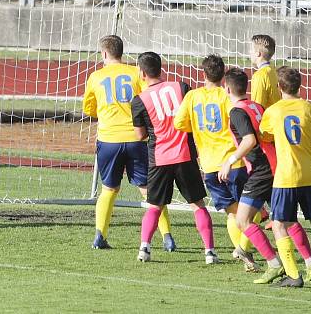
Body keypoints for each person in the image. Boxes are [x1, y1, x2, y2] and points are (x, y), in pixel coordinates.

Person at [82, 35, 175, 251]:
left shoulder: (96, 77)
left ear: (104, 53)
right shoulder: (136, 73)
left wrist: (107, 111)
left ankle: (100, 235)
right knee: (149, 190)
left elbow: (88, 108)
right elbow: (149, 98)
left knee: (109, 189)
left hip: (108, 140)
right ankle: (167, 236)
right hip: (136, 139)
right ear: (121, 52)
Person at [259, 67, 311, 287]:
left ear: (279, 87)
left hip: (286, 177)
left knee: (278, 224)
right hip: (310, 176)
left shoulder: (274, 111)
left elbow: (264, 134)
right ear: (300, 86)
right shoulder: (310, 108)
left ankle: (294, 275)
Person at [130, 52, 217, 264]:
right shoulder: (182, 87)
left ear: (142, 73)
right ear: (161, 68)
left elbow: (140, 135)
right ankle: (209, 252)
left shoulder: (139, 100)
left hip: (160, 158)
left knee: (155, 205)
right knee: (198, 204)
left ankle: (145, 248)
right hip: (185, 154)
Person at [174, 54, 256, 270]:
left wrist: (200, 130)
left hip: (210, 165)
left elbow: (179, 123)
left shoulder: (192, 96)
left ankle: (243, 250)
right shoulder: (226, 96)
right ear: (223, 74)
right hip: (233, 161)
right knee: (248, 211)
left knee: (231, 212)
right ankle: (244, 248)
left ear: (203, 73)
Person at [220, 67, 284, 284]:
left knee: (243, 220)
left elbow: (249, 140)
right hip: (275, 165)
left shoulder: (237, 112)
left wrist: (229, 161)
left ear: (226, 88)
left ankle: (274, 264)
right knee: (284, 220)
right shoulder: (257, 106)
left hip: (261, 170)